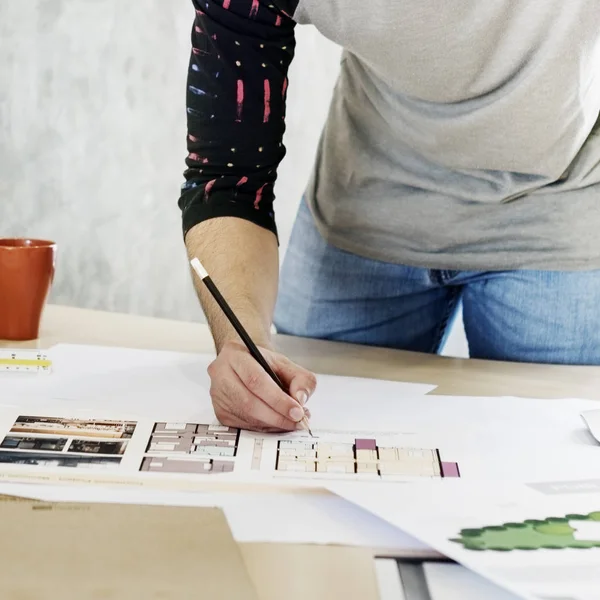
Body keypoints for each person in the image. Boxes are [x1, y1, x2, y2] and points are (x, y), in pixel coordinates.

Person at [179, 1, 600, 433]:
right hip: (366, 207)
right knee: (303, 440)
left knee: (551, 457)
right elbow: (226, 181)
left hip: (560, 209)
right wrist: (239, 340)